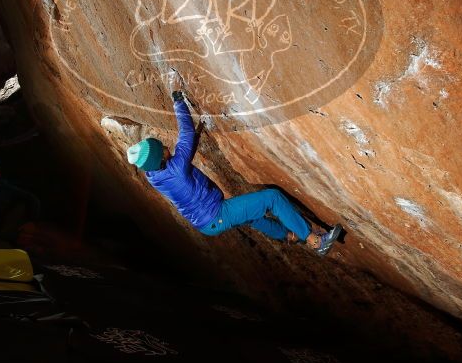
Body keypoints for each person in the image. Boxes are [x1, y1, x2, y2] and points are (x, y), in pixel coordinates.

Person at [127, 91, 342, 256]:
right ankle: (315, 241)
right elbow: (187, 134)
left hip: (204, 224)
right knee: (272, 198)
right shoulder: (177, 169)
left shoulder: (153, 176)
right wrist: (178, 102)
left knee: (253, 218)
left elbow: (168, 155)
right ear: (162, 158)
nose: (165, 146)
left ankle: (288, 235)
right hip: (216, 215)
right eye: (162, 148)